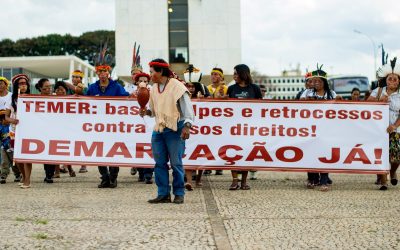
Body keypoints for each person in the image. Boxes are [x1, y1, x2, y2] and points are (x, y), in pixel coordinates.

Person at [140, 59, 194, 204]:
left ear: (161, 71)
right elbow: (153, 111)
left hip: (176, 127)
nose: (150, 75)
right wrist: (146, 111)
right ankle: (163, 193)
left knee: (176, 163)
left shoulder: (177, 86)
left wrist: (187, 126)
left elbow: (187, 108)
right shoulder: (153, 89)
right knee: (159, 163)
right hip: (159, 128)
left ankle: (179, 193)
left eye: (152, 72)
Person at [85, 45, 130, 188]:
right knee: (99, 151)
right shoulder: (92, 87)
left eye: (105, 71)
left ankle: (113, 177)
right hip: (97, 125)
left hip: (114, 125)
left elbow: (126, 99)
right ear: (97, 73)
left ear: (108, 72)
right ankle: (104, 177)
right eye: (100, 72)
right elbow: (84, 103)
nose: (102, 74)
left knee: (114, 151)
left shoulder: (116, 86)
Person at [300, 65, 338, 191]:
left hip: (327, 129)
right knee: (311, 153)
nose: (315, 83)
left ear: (324, 82)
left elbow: (339, 107)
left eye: (318, 81)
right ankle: (313, 178)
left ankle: (324, 180)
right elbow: (299, 108)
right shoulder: (307, 93)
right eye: (314, 80)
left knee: (324, 153)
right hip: (311, 128)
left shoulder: (332, 94)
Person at [227, 64, 262, 190]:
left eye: (236, 73)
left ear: (243, 74)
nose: (234, 76)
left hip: (249, 127)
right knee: (232, 152)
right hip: (233, 127)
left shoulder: (255, 88)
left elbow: (261, 108)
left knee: (247, 153)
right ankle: (234, 180)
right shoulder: (231, 89)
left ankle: (244, 181)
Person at [368, 57, 400, 190]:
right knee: (380, 154)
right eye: (389, 79)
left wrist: (394, 126)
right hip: (378, 130)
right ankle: (383, 181)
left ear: (399, 82)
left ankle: (392, 171)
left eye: (395, 79)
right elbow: (366, 104)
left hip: (395, 130)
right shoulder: (379, 91)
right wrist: (379, 100)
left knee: (396, 157)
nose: (392, 81)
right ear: (385, 80)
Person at [10, 74, 32, 188]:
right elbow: (6, 117)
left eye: (25, 83)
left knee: (27, 157)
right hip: (14, 132)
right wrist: (12, 120)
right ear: (16, 86)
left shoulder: (33, 98)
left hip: (28, 130)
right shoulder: (12, 99)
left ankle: (28, 181)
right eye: (20, 84)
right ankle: (24, 177)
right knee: (17, 158)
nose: (23, 86)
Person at [35, 78, 58, 183]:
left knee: (52, 151)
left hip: (54, 129)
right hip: (41, 129)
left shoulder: (55, 98)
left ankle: (50, 175)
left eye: (50, 86)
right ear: (40, 88)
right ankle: (48, 173)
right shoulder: (35, 99)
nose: (49, 89)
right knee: (45, 151)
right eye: (46, 87)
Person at [52, 81, 77, 178]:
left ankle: (70, 168)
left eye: (62, 89)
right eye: (58, 90)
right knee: (54, 150)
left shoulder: (71, 99)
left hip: (67, 128)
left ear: (66, 91)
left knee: (66, 150)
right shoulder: (51, 100)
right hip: (55, 128)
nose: (60, 91)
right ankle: (57, 171)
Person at [0, 76, 20, 185]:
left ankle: (16, 172)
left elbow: (12, 111)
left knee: (8, 149)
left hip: (7, 126)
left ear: (6, 84)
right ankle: (3, 173)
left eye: (1, 83)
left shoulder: (11, 96)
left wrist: (8, 120)